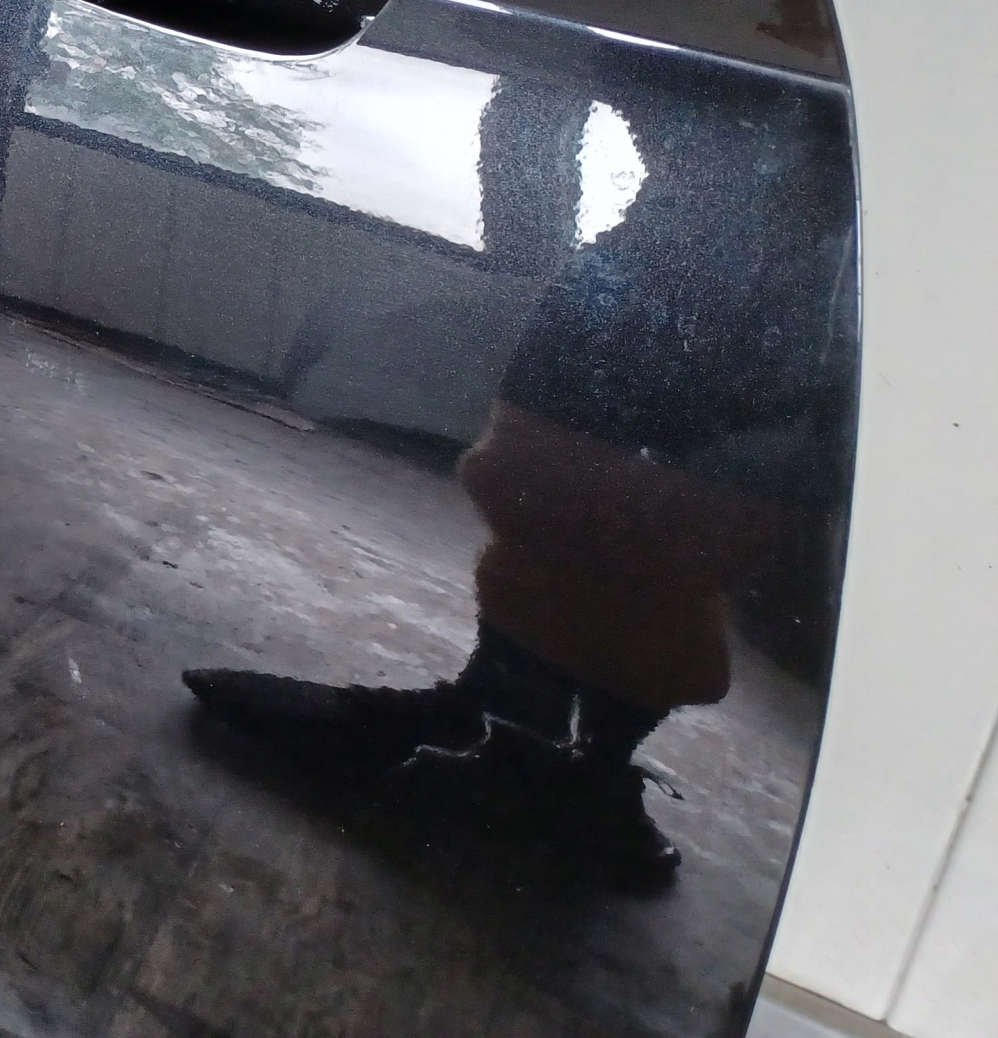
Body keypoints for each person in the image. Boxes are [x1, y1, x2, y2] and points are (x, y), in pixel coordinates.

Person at [184, 59, 855, 889]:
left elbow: (538, 102)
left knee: (658, 529)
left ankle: (548, 751)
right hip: (686, 291)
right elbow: (540, 100)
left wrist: (538, 256)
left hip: (752, 314)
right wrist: (540, 259)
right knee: (561, 491)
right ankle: (518, 726)